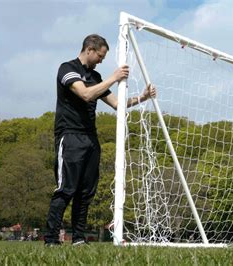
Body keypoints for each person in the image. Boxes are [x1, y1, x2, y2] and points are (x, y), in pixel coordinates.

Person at [44, 34, 156, 246]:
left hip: (90, 139)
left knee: (86, 192)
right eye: (100, 56)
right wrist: (113, 77)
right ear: (89, 50)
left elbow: (116, 104)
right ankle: (51, 240)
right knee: (66, 188)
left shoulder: (96, 77)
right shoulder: (67, 69)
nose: (102, 60)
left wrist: (143, 97)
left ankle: (78, 239)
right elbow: (85, 94)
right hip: (69, 136)